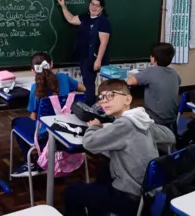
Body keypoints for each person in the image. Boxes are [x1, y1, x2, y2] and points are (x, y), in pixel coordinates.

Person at [64, 79, 175, 216]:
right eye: (101, 97)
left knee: (72, 192)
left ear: (128, 99)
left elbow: (89, 143)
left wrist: (93, 127)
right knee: (104, 172)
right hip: (147, 193)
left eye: (110, 95)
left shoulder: (125, 125)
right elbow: (170, 136)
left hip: (129, 198)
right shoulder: (140, 121)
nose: (104, 101)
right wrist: (148, 124)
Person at [11, 52, 85, 177]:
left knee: (17, 122)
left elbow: (34, 116)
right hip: (68, 131)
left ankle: (31, 163)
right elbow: (84, 89)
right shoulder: (64, 78)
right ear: (51, 64)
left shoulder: (36, 88)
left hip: (45, 136)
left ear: (33, 71)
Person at [57, 0, 111, 105]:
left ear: (101, 8)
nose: (94, 7)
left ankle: (90, 106)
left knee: (89, 83)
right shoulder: (85, 17)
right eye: (92, 4)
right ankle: (89, 104)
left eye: (97, 6)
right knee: (87, 81)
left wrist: (98, 60)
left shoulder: (103, 22)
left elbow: (103, 43)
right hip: (84, 56)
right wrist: (63, 6)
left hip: (93, 57)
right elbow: (71, 19)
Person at [126, 42, 182, 131]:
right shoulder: (174, 73)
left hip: (155, 120)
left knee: (129, 116)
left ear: (153, 58)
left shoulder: (151, 71)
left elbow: (129, 82)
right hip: (171, 119)